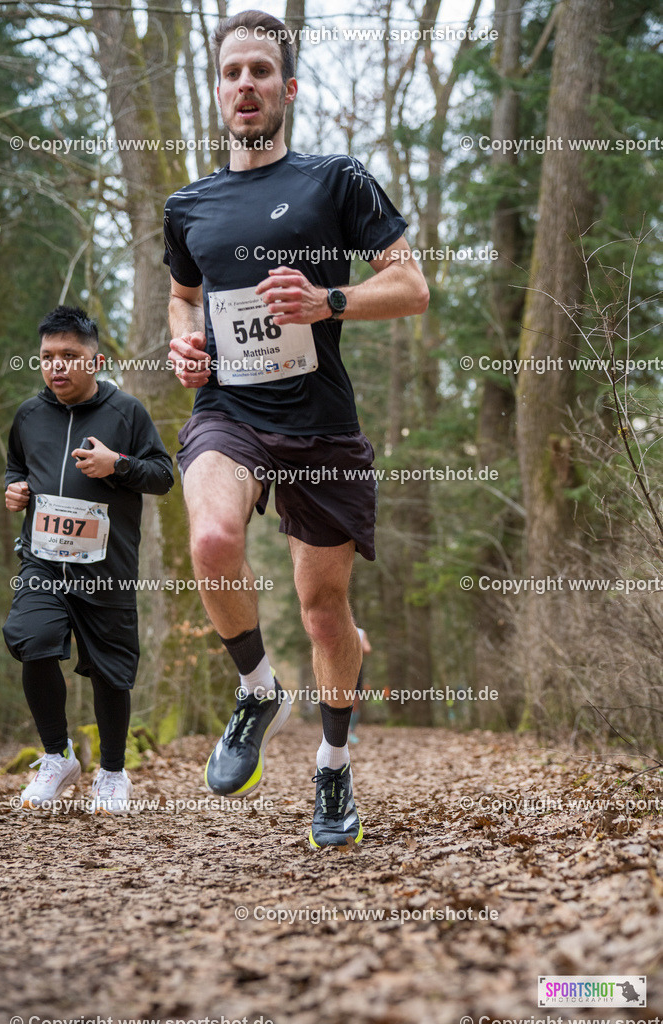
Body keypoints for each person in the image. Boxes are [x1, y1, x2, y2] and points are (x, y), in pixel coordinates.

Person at [163, 10, 429, 847]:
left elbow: (412, 286)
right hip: (229, 413)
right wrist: (185, 342)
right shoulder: (188, 204)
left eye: (260, 72)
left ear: (287, 90)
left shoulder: (334, 181)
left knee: (325, 615)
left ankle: (333, 768)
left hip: (319, 423)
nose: (246, 84)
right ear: (218, 91)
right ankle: (255, 691)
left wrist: (328, 301)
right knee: (210, 539)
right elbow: (182, 295)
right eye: (232, 72)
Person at [3, 306, 174, 814]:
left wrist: (116, 464)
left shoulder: (127, 413)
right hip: (43, 562)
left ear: (95, 360)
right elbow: (18, 466)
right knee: (32, 642)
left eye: (70, 356)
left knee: (110, 672)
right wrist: (15, 490)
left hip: (106, 567)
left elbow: (163, 475)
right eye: (48, 357)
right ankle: (57, 757)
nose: (58, 367)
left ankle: (114, 773)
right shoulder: (29, 416)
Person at [349, 626, 372, 743]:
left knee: (355, 700)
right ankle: (337, 732)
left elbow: (368, 649)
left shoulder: (361, 632)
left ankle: (351, 731)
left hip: (356, 668)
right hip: (337, 669)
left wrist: (357, 645)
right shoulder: (335, 627)